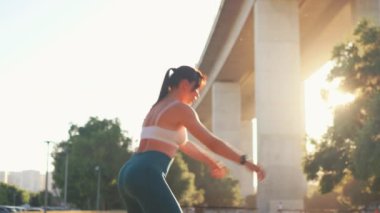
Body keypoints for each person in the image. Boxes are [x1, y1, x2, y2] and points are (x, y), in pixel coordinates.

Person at [117, 65, 265, 213]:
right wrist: (245, 161)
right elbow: (212, 143)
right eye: (196, 90)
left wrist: (212, 163)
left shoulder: (156, 108)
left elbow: (185, 144)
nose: (197, 96)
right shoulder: (181, 109)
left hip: (128, 173)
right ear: (184, 85)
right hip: (146, 172)